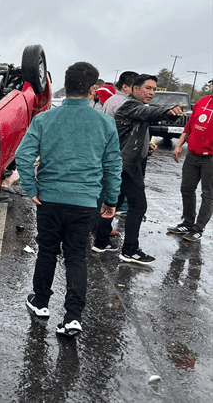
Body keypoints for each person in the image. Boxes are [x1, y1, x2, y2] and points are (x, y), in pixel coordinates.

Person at [16, 62, 123, 338]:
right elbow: (112, 165)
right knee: (77, 256)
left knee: (47, 251)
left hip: (49, 199)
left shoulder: (44, 119)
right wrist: (111, 199)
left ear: (67, 84)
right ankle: (73, 318)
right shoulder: (105, 122)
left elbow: (24, 157)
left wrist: (31, 188)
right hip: (86, 202)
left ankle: (40, 303)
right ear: (93, 89)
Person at [114, 74, 186, 265]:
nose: (152, 93)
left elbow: (139, 126)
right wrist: (169, 109)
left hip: (127, 162)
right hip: (126, 165)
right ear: (135, 89)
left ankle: (100, 240)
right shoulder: (131, 105)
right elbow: (150, 112)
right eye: (148, 88)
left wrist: (147, 147)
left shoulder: (138, 107)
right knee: (138, 206)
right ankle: (129, 250)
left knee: (112, 201)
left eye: (154, 89)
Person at [167, 88, 213, 243]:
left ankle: (198, 229)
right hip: (193, 155)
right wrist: (179, 145)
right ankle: (187, 223)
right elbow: (190, 126)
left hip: (210, 159)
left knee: (208, 194)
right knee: (186, 188)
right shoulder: (203, 101)